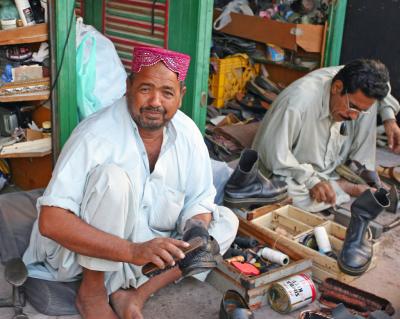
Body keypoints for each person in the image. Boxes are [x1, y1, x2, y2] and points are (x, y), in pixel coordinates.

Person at [21, 46, 239, 319]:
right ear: (129, 86)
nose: (155, 102)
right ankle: (92, 293)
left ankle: (136, 294)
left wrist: (196, 233)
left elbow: (200, 201)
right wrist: (133, 251)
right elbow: (50, 221)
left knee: (226, 221)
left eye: (167, 92)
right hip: (88, 255)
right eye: (145, 89)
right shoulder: (95, 135)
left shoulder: (188, 134)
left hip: (149, 259)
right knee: (112, 180)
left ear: (180, 96)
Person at [252, 59, 400, 212]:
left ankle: (359, 168)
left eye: (359, 111)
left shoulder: (353, 78)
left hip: (332, 159)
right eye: (353, 107)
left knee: (371, 102)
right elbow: (273, 156)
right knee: (285, 194)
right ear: (337, 87)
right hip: (292, 167)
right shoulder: (296, 103)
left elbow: (383, 85)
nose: (355, 117)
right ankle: (343, 186)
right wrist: (311, 181)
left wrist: (389, 119)